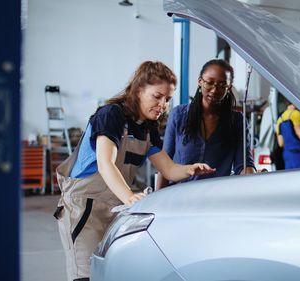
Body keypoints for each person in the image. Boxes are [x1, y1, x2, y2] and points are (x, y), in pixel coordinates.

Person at [54, 61, 215, 281]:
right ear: (138, 90)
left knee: (111, 273)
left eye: (167, 99)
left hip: (116, 207)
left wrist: (190, 169)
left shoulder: (148, 129)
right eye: (157, 96)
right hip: (84, 208)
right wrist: (130, 197)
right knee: (86, 275)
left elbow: (168, 169)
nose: (163, 105)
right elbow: (105, 164)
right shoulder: (111, 115)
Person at [156, 59, 256, 188]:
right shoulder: (179, 115)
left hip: (216, 199)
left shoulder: (236, 120)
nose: (214, 90)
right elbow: (165, 164)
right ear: (200, 82)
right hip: (178, 197)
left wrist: (252, 177)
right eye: (209, 83)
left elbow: (243, 163)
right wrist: (157, 201)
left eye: (221, 85)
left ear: (229, 87)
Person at [276, 100, 300, 169]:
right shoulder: (296, 114)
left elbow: (280, 143)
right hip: (297, 152)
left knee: (290, 176)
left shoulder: (280, 119)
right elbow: (299, 132)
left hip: (287, 154)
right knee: (299, 175)